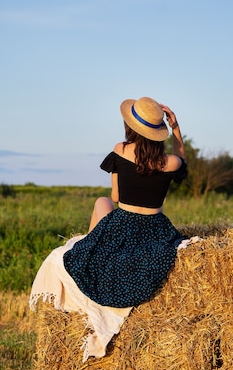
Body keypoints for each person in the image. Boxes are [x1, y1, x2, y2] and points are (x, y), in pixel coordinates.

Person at [63, 96, 188, 309]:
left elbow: (115, 197)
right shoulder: (172, 163)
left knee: (102, 202)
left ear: (131, 127)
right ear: (158, 132)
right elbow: (182, 161)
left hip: (124, 223)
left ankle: (91, 243)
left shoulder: (120, 150)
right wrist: (176, 129)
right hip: (156, 229)